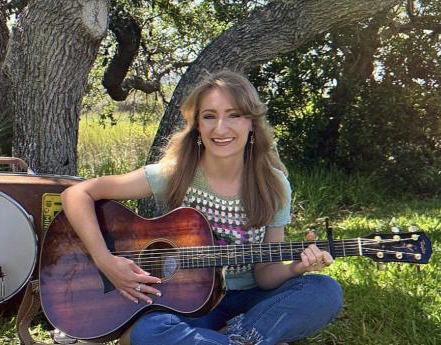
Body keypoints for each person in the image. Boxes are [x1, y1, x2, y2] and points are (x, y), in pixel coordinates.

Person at [61, 70, 343, 345]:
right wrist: (105, 260)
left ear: (252, 124)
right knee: (150, 330)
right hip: (189, 307)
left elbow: (266, 274)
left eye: (234, 115)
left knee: (324, 290)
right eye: (209, 116)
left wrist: (296, 268)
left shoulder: (274, 184)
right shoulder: (176, 174)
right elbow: (77, 193)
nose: (220, 128)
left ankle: (234, 338)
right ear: (197, 125)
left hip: (251, 300)